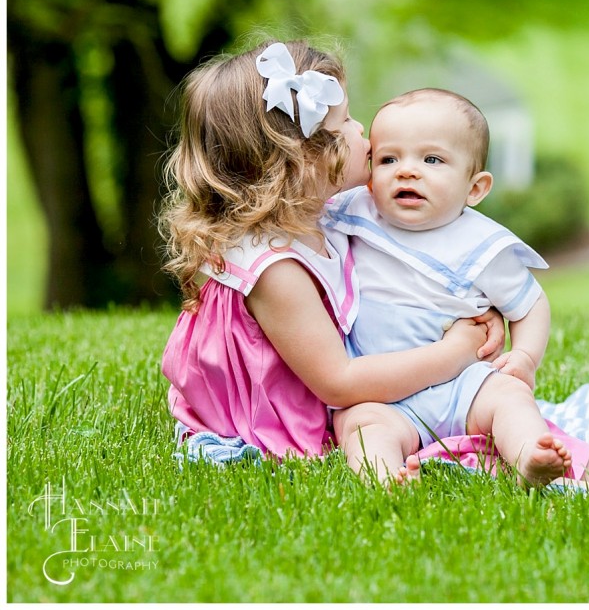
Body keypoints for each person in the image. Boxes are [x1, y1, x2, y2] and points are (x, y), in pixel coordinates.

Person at [322, 88, 589, 491]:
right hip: (379, 393)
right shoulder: (357, 212)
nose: (407, 170)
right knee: (362, 426)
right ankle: (386, 480)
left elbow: (530, 304)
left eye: (432, 159)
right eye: (389, 158)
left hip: (460, 387)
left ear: (476, 188)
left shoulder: (482, 245)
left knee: (509, 398)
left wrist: (525, 358)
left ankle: (532, 457)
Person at [160, 41, 504, 461]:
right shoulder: (274, 269)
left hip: (345, 383)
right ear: (300, 160)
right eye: (345, 122)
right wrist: (453, 353)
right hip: (277, 413)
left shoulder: (327, 213)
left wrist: (470, 312)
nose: (362, 131)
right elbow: (338, 382)